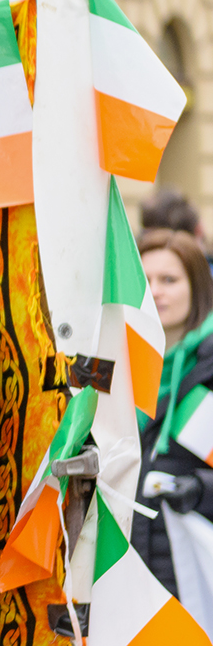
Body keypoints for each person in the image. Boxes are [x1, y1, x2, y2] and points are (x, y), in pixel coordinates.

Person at [133, 228, 213, 594]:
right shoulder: (119, 365)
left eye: (169, 279)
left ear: (196, 286)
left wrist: (199, 489)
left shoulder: (208, 369)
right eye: (145, 279)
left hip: (195, 570)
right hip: (128, 564)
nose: (156, 290)